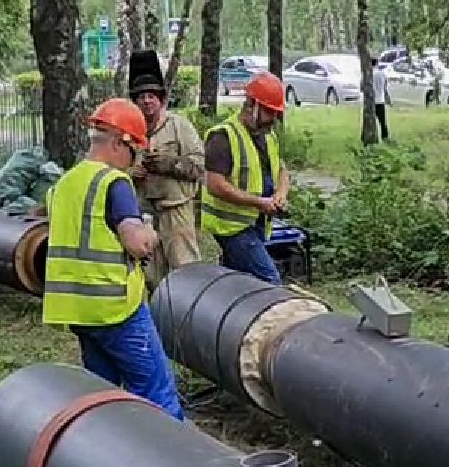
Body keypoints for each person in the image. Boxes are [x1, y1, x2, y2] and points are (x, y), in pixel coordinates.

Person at [42, 99, 185, 421]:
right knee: (155, 390)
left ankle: (108, 446)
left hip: (77, 310)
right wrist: (150, 232)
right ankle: (174, 449)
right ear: (121, 143)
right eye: (135, 152)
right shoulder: (113, 182)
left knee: (102, 395)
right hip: (115, 309)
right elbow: (138, 245)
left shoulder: (63, 184)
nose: (135, 162)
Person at [125, 49, 206, 288]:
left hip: (176, 210)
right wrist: (130, 174)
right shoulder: (128, 132)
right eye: (141, 97)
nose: (147, 101)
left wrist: (170, 164)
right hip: (143, 214)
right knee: (150, 277)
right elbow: (112, 169)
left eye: (152, 96)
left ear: (161, 99)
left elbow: (200, 166)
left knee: (186, 272)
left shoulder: (179, 126)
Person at [200, 71, 290, 284]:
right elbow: (215, 185)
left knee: (238, 283)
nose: (273, 119)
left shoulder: (268, 136)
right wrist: (259, 202)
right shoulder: (222, 136)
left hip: (257, 223)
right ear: (251, 104)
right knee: (269, 281)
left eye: (276, 113)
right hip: (232, 228)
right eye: (269, 111)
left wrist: (280, 194)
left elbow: (282, 170)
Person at [371, 61, 390, 140]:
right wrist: (388, 99)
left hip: (371, 102)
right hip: (380, 101)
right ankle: (385, 137)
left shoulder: (367, 74)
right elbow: (385, 89)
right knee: (382, 122)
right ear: (377, 63)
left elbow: (362, 88)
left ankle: (367, 137)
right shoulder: (383, 74)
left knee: (369, 122)